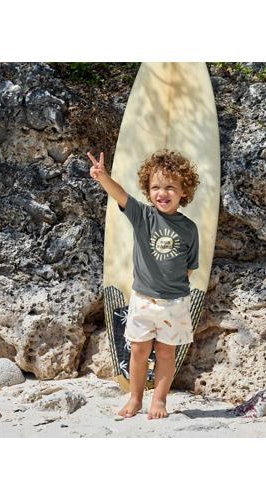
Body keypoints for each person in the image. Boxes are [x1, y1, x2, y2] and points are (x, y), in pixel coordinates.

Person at [87, 149, 200, 419]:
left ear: (184, 191)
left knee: (165, 353)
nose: (163, 193)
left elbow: (190, 267)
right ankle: (135, 398)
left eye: (170, 187)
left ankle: (159, 401)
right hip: (143, 299)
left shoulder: (189, 228)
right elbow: (120, 195)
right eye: (156, 187)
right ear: (148, 191)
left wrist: (172, 290)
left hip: (174, 302)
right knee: (138, 350)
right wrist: (103, 177)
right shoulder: (143, 217)